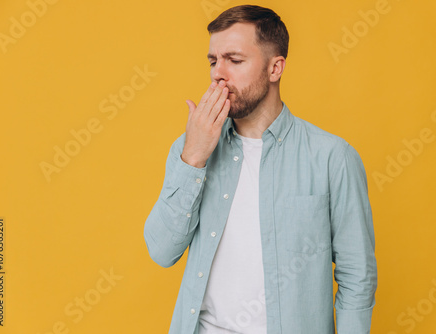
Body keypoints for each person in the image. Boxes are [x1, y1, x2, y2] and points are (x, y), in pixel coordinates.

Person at [143, 5, 377, 334]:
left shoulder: (332, 157)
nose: (217, 73)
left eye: (234, 60)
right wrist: (193, 157)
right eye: (213, 61)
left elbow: (357, 277)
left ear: (275, 68)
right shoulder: (190, 149)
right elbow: (161, 251)